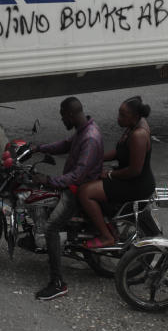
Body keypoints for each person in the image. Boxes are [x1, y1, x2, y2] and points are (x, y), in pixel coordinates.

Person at [30, 96, 103, 300]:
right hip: (77, 185)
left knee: (51, 227)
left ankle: (58, 283)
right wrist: (38, 148)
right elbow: (64, 145)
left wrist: (48, 179)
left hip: (79, 190)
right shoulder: (83, 130)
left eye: (63, 116)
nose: (62, 120)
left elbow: (77, 176)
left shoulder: (89, 138)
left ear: (70, 114)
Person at [77, 96, 155, 249]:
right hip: (128, 177)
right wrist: (96, 159)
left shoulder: (138, 135)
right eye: (119, 113)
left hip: (135, 184)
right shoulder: (133, 125)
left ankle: (107, 236)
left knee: (84, 192)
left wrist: (110, 174)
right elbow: (120, 151)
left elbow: (134, 170)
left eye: (122, 115)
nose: (118, 118)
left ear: (134, 116)